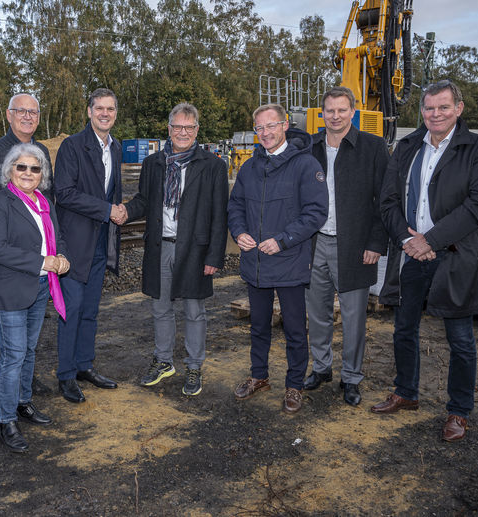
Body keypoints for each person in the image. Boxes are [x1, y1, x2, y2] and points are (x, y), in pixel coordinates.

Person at [373, 80, 478, 442]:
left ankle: (458, 411)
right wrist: (407, 240)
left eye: (443, 107)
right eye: (429, 108)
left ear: (458, 109)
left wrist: (429, 240)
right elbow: (388, 201)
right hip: (411, 252)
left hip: (455, 255)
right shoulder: (408, 146)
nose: (435, 114)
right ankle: (406, 392)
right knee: (403, 328)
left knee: (459, 337)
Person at [228, 103, 328, 414]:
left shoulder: (304, 165)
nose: (266, 133)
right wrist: (239, 231)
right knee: (258, 326)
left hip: (289, 261)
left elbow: (316, 213)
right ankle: (259, 376)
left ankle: (294, 385)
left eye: (271, 126)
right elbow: (235, 207)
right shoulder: (249, 167)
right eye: (260, 128)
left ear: (285, 126)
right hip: (255, 263)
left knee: (295, 329)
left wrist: (283, 241)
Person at [124, 103, 228, 396]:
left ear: (197, 130)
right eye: (177, 127)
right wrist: (123, 211)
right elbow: (144, 201)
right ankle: (164, 360)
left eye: (188, 128)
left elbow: (220, 215)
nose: (182, 132)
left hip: (194, 250)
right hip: (160, 247)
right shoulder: (154, 163)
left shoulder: (213, 165)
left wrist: (214, 256)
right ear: (168, 129)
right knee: (160, 307)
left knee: (194, 311)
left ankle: (194, 365)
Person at [303, 86, 389, 406]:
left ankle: (351, 377)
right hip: (315, 244)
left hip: (354, 247)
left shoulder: (373, 147)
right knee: (318, 314)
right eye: (329, 110)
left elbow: (385, 200)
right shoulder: (309, 146)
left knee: (354, 318)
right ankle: (322, 368)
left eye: (342, 110)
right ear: (322, 113)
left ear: (352, 112)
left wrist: (376, 243)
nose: (335, 116)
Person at [0, 144, 70, 452]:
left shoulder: (45, 202)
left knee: (29, 350)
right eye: (22, 167)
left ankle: (22, 403)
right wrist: (41, 262)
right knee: (13, 355)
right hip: (11, 290)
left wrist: (60, 256)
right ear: (10, 171)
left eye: (35, 168)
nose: (28, 173)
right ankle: (6, 421)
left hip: (41, 287)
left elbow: (55, 238)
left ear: (42, 174)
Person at [0, 93, 54, 408]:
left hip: (34, 256)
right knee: (2, 331)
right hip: (7, 258)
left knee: (26, 340)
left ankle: (23, 382)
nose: (27, 116)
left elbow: (45, 199)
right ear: (8, 115)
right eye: (21, 111)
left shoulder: (43, 151)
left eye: (33, 111)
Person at [53, 88, 126, 403]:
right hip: (74, 244)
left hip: (101, 243)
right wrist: (106, 210)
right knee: (72, 310)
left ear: (115, 113)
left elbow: (111, 191)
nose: (105, 113)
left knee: (92, 311)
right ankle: (66, 375)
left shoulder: (117, 148)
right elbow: (64, 192)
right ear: (89, 111)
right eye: (99, 108)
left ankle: (84, 365)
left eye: (110, 109)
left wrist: (117, 209)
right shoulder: (72, 146)